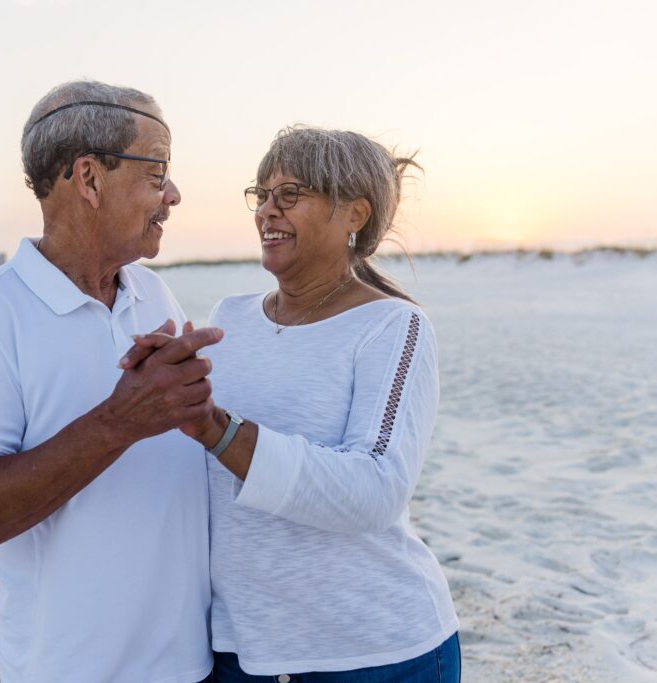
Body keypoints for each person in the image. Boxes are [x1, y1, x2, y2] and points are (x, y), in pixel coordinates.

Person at [123, 126, 461, 682]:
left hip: (374, 653)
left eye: (291, 194)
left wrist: (216, 428)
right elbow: (198, 474)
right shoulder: (229, 317)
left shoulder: (394, 327)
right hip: (241, 651)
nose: (267, 211)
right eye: (262, 194)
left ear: (354, 214)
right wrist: (158, 384)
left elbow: (375, 490)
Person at [0, 81, 220, 683]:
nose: (174, 194)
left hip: (191, 666)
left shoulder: (151, 291)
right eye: (157, 171)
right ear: (88, 179)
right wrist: (120, 421)